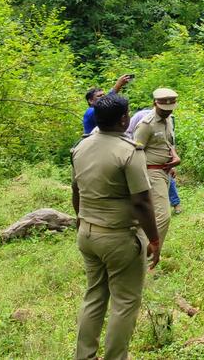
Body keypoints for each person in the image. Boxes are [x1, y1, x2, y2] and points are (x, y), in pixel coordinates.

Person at [71, 93, 161, 360]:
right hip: (119, 237)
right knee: (125, 302)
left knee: (94, 297)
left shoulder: (81, 148)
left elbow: (76, 192)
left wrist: (81, 220)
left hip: (87, 233)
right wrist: (154, 240)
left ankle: (84, 356)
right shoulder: (129, 152)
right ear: (124, 119)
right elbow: (142, 202)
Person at [130, 88, 180, 242]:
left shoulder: (169, 119)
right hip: (151, 172)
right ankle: (148, 252)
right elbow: (135, 152)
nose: (167, 112)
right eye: (164, 109)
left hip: (165, 171)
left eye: (170, 109)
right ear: (155, 103)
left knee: (149, 215)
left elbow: (168, 143)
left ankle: (143, 251)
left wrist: (173, 161)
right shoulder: (146, 124)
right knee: (163, 216)